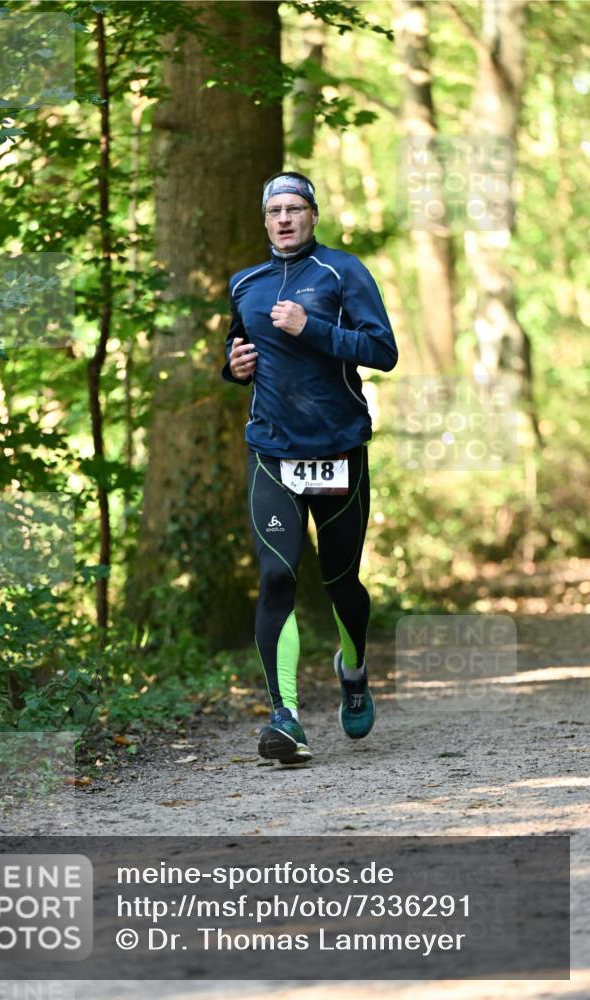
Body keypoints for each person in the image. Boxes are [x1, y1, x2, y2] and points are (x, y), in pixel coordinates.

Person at [222, 171, 397, 765]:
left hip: (339, 449)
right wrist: (235, 365)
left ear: (313, 216)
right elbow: (238, 349)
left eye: (296, 208)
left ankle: (353, 668)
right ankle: (285, 717)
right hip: (273, 453)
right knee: (276, 578)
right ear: (265, 219)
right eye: (275, 210)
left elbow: (382, 351)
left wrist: (312, 328)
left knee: (340, 582)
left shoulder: (343, 272)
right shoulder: (244, 283)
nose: (285, 219)